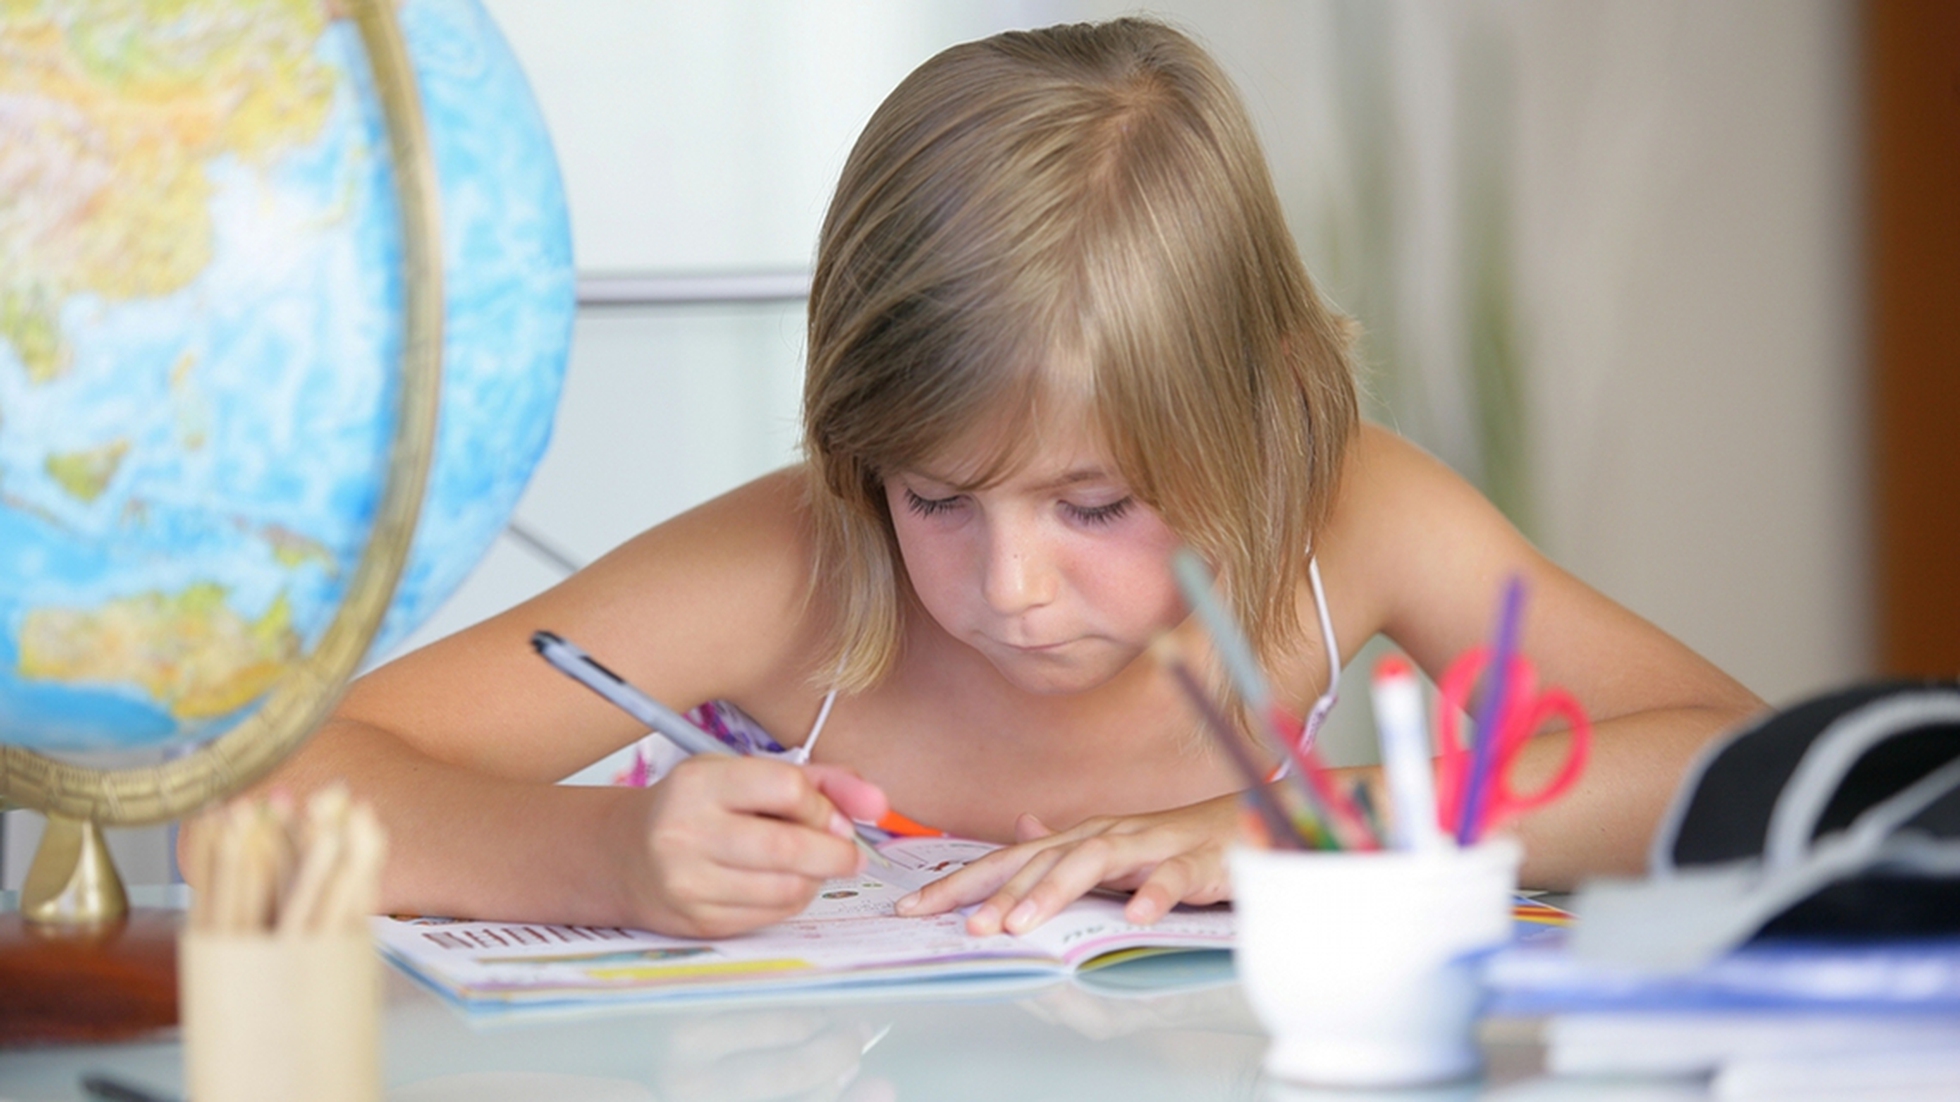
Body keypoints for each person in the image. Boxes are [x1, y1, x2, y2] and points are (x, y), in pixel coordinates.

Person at [212, 17, 1763, 940]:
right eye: (934, 496)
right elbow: (270, 782)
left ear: (1255, 416)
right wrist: (612, 857)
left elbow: (1742, 768)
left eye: (1094, 506)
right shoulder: (798, 571)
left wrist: (1312, 823)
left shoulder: (1343, 520)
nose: (1004, 583)